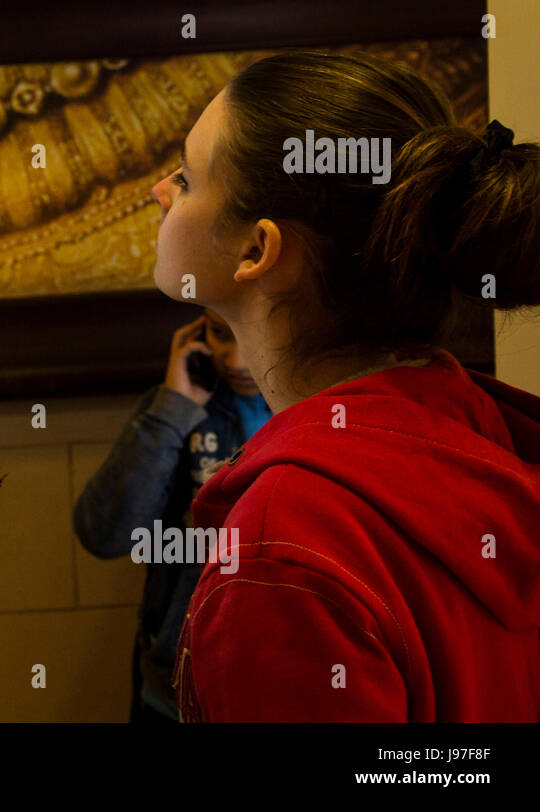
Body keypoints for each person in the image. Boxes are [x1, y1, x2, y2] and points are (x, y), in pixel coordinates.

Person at [149, 50, 540, 721]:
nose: (160, 191)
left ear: (256, 250)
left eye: (186, 179)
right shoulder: (487, 437)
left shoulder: (285, 551)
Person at [74, 309, 270, 722]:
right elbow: (105, 533)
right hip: (172, 689)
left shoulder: (326, 409)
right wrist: (173, 408)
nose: (235, 361)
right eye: (220, 333)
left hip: (277, 682)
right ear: (198, 330)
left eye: (254, 333)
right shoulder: (180, 407)